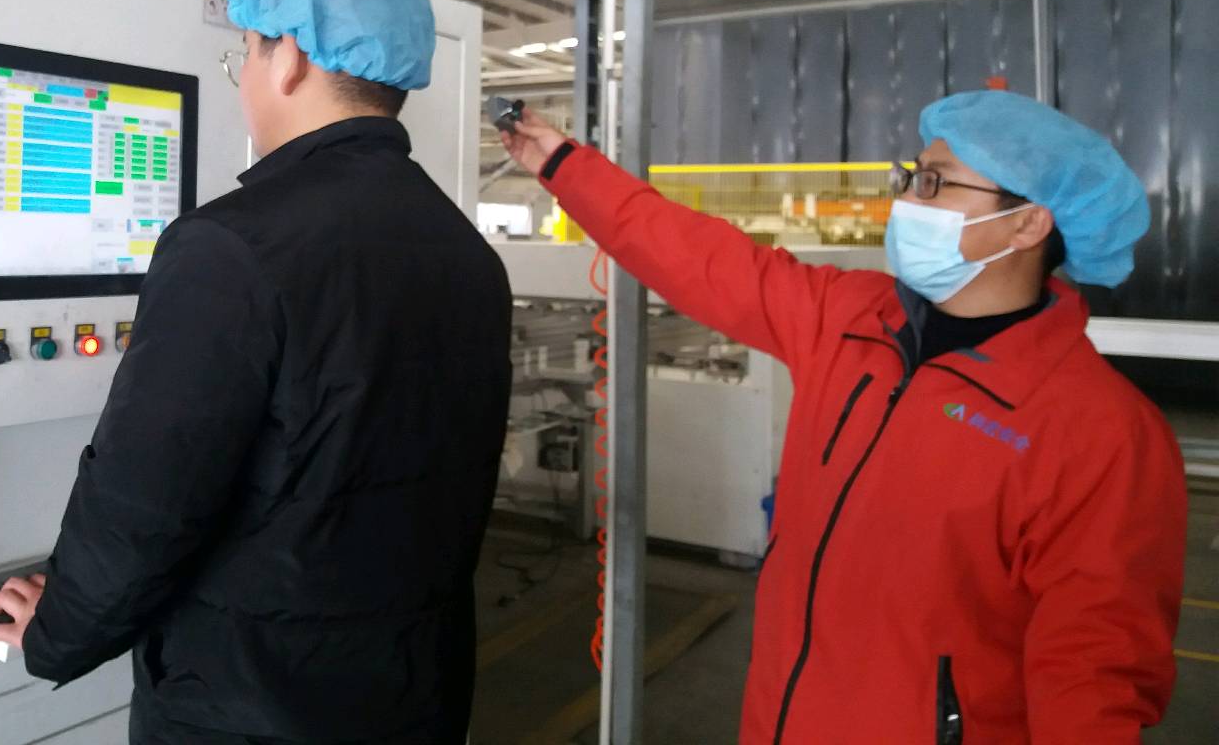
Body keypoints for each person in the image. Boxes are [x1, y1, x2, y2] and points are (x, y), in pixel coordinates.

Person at [501, 89, 1186, 743]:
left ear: (1028, 223)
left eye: (935, 184)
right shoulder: (852, 318)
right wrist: (563, 164)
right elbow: (695, 254)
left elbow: (1092, 680)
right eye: (911, 177)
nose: (907, 201)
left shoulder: (1101, 433)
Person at [0, 0, 514, 745]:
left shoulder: (230, 247)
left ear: (288, 58)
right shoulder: (467, 254)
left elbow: (145, 499)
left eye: (246, 56)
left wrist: (56, 632)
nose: (245, 83)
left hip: (249, 706)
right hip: (413, 694)